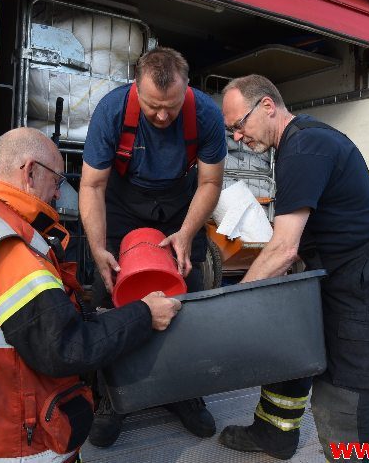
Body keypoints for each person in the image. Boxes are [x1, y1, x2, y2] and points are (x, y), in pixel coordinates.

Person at [0, 128, 181, 463]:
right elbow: (66, 348)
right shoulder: (12, 245)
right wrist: (144, 314)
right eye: (57, 180)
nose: (59, 194)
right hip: (5, 444)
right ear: (30, 172)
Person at [217, 75, 369, 461]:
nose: (237, 136)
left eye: (239, 125)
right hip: (329, 269)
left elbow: (283, 248)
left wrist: (230, 304)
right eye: (231, 130)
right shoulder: (293, 146)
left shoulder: (305, 147)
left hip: (364, 277)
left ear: (268, 106)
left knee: (343, 396)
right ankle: (274, 435)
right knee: (292, 346)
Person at [79, 46, 226, 447]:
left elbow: (211, 182)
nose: (162, 116)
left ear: (186, 90)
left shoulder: (207, 114)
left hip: (181, 209)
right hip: (122, 205)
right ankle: (109, 398)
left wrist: (187, 232)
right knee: (107, 298)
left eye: (171, 107)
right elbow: (92, 185)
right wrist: (97, 250)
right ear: (136, 89)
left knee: (188, 295)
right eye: (152, 106)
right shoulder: (111, 112)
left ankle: (183, 394)